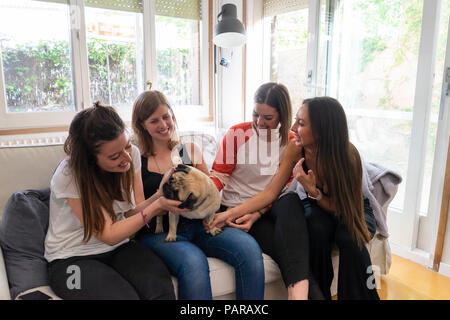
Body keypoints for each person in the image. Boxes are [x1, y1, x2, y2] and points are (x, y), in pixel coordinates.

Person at [210, 96, 379, 300]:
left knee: (349, 238)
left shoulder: (348, 157)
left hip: (352, 208)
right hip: (319, 205)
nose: (292, 126)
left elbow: (343, 208)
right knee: (316, 229)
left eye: (301, 123)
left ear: (320, 129)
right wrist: (230, 213)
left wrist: (313, 192)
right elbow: (271, 192)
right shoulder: (296, 148)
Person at [132, 89, 265, 300]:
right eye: (154, 120)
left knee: (249, 249)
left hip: (200, 224)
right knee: (193, 263)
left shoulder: (186, 150)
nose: (163, 124)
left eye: (166, 117)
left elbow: (211, 193)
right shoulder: (138, 159)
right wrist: (159, 196)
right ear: (142, 125)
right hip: (160, 232)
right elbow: (136, 212)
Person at [44, 102, 184, 300]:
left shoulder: (132, 154)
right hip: (69, 260)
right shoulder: (70, 174)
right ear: (90, 160)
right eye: (115, 156)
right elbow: (108, 234)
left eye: (126, 146)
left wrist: (158, 197)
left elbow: (128, 214)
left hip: (119, 247)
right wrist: (154, 208)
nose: (127, 157)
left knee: (160, 289)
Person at [208, 82, 322, 300]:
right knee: (289, 253)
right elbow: (219, 177)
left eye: (268, 118)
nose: (259, 122)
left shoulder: (292, 143)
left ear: (282, 115)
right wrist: (203, 196)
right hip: (235, 209)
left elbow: (280, 189)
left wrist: (259, 212)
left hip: (267, 210)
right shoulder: (236, 134)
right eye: (255, 114)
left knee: (291, 218)